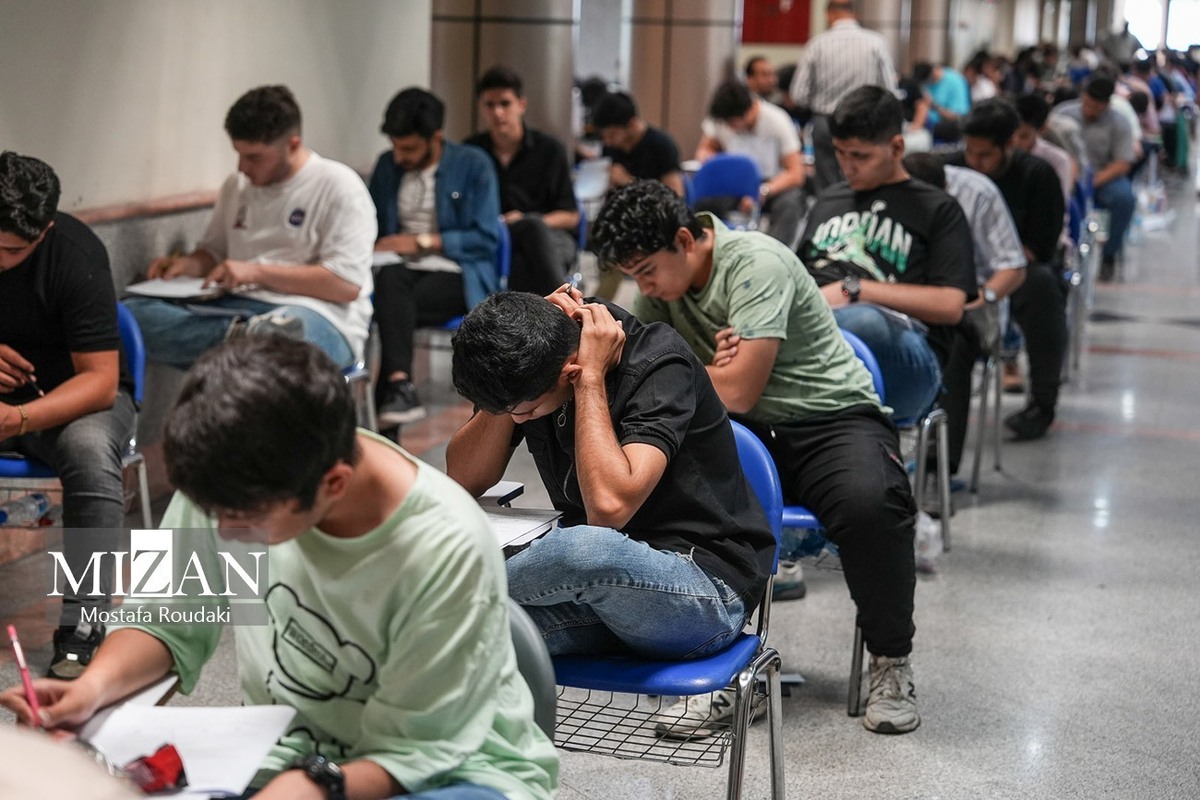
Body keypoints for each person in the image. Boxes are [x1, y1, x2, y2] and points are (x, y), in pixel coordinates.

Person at [1, 335, 559, 800]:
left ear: (333, 484)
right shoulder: (231, 475)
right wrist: (92, 688)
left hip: (458, 769)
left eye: (242, 521)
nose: (224, 532)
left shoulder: (443, 545)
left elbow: (420, 748)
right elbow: (166, 617)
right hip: (294, 756)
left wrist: (316, 784)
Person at [590, 179, 924, 735]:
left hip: (827, 418)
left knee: (871, 503)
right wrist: (705, 370)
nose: (642, 288)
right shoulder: (660, 291)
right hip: (741, 429)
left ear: (684, 240)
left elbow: (739, 389)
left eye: (646, 270)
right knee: (662, 495)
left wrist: (693, 370)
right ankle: (728, 668)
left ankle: (890, 661)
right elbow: (647, 385)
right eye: (633, 276)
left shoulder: (756, 263)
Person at [445, 290, 776, 733]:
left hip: (702, 594)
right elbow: (465, 477)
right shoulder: (535, 354)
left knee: (581, 548)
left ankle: (440, 592)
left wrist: (590, 379)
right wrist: (505, 400)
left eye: (525, 411)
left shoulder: (659, 364)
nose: (520, 420)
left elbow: (608, 510)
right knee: (458, 638)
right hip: (600, 599)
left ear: (569, 372)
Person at [0, 152, 135, 679]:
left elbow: (100, 381)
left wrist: (19, 419)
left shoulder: (76, 255)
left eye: (12, 250)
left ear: (44, 232)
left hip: (71, 400)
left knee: (89, 452)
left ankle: (81, 624)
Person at [127, 85, 375, 371]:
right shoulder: (237, 186)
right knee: (129, 315)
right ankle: (244, 338)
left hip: (319, 314)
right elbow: (214, 253)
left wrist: (255, 272)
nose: (242, 167)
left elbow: (344, 285)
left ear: (293, 145)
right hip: (235, 309)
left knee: (290, 340)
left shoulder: (340, 186)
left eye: (254, 157)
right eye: (239, 154)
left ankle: (252, 341)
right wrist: (188, 265)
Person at [796, 86, 975, 423]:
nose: (847, 167)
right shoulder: (828, 200)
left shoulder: (938, 208)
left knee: (865, 321)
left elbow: (951, 306)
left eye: (860, 156)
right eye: (840, 153)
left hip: (903, 351)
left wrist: (855, 290)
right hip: (817, 326)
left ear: (896, 147)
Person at [367, 87, 500, 426]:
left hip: (458, 274)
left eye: (409, 148)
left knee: (393, 306)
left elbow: (486, 238)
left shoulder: (473, 165)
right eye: (395, 146)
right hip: (396, 272)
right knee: (392, 286)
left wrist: (422, 242)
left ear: (436, 137)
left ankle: (391, 404)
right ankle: (399, 388)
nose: (400, 157)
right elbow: (370, 225)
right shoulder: (387, 166)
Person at [949, 98, 1067, 442]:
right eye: (970, 152)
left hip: (1018, 271)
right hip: (960, 270)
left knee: (1043, 288)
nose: (975, 162)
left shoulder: (1038, 175)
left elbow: (1040, 247)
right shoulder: (954, 170)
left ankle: (1042, 403)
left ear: (1010, 144)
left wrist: (996, 277)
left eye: (985, 154)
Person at [903, 153, 1027, 476]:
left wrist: (981, 298)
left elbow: (1013, 267)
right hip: (907, 307)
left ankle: (939, 464)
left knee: (953, 342)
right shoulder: (888, 196)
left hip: (972, 309)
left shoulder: (978, 194)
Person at [465, 66, 580, 296]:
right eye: (490, 105)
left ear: (521, 105)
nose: (498, 112)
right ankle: (565, 308)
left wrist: (529, 221)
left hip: (548, 236)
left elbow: (571, 216)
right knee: (509, 262)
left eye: (505, 104)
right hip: (494, 237)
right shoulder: (471, 152)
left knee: (530, 238)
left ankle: (560, 309)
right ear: (481, 107)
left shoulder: (550, 150)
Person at [788, 0, 897, 194]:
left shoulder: (817, 44)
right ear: (855, 14)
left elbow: (798, 95)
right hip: (867, 122)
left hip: (825, 122)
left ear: (829, 14)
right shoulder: (876, 42)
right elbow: (889, 91)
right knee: (865, 180)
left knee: (828, 190)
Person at [695, 80, 807, 247]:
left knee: (791, 204)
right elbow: (706, 147)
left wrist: (763, 191)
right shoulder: (722, 120)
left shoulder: (777, 121)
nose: (730, 128)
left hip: (769, 184)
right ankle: (707, 247)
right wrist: (709, 159)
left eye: (733, 123)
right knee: (703, 203)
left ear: (750, 110)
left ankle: (773, 250)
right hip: (733, 186)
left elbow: (796, 173)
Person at [1051, 75, 1136, 281]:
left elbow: (1122, 163)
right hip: (1064, 176)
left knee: (1124, 198)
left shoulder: (1119, 123)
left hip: (1101, 178)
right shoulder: (1062, 115)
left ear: (1106, 105)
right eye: (1087, 104)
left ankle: (1109, 254)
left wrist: (1092, 182)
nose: (1090, 111)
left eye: (1096, 108)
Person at [592, 91, 684, 196]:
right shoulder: (610, 147)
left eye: (612, 135)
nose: (607, 141)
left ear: (632, 124)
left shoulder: (662, 146)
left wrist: (630, 182)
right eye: (603, 136)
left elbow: (675, 196)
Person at [913, 61, 972, 142]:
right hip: (928, 124)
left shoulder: (955, 82)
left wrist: (934, 105)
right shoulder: (926, 84)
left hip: (949, 127)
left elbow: (959, 116)